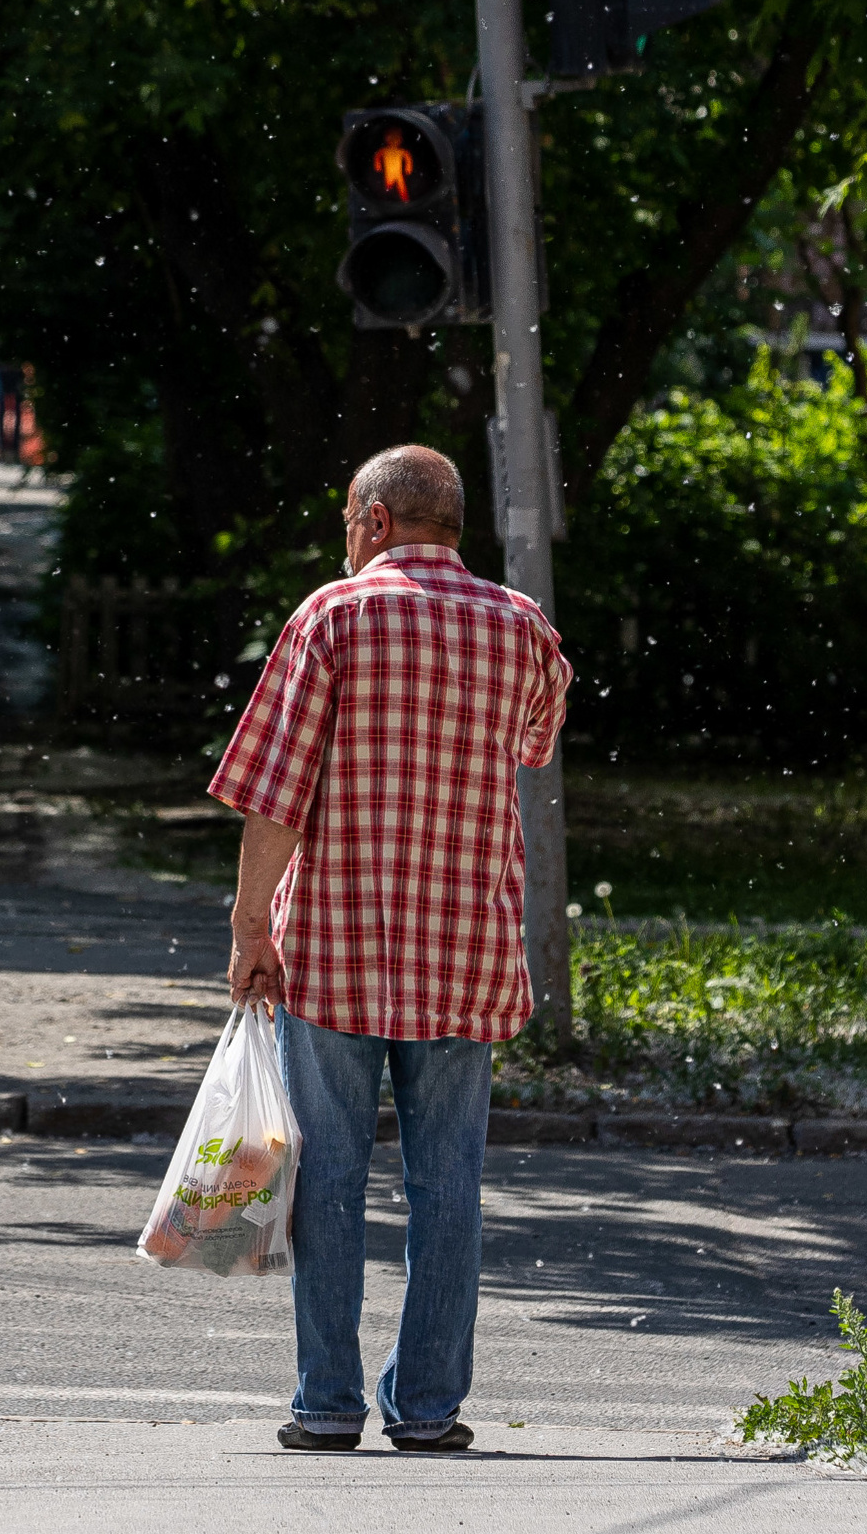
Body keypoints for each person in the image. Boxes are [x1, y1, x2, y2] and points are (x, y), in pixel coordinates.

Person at [206, 445, 571, 1454]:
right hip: (467, 948)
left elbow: (275, 795)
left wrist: (247, 927)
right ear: (453, 525)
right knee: (447, 1183)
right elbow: (533, 744)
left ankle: (327, 1400)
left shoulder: (334, 615)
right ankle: (426, 1404)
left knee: (324, 1177)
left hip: (337, 942)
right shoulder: (523, 628)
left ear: (368, 520)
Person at [0, 350, 28, 464]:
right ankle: (4, 449)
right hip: (5, 376)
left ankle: (13, 450)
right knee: (3, 415)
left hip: (12, 377)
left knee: (13, 416)